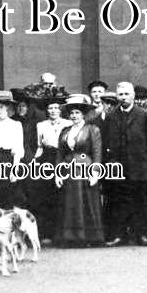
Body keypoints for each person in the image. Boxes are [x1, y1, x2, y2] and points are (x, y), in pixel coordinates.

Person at [103, 82, 147, 247]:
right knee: (118, 201)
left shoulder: (144, 115)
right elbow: (106, 141)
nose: (123, 97)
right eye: (120, 94)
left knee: (139, 201)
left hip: (138, 166)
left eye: (126, 94)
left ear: (133, 95)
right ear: (116, 96)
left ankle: (141, 235)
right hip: (117, 167)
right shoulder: (111, 116)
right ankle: (119, 235)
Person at [55, 94, 104, 246]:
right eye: (72, 113)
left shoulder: (92, 129)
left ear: (83, 114)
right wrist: (58, 173)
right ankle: (71, 236)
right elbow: (60, 154)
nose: (74, 115)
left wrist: (95, 172)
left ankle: (88, 236)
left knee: (85, 201)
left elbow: (96, 152)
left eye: (77, 112)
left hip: (85, 168)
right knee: (70, 202)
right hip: (68, 169)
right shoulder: (65, 131)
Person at [32, 95, 70, 243]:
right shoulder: (41, 125)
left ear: (60, 109)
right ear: (47, 111)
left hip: (63, 157)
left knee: (62, 194)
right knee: (47, 195)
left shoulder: (67, 123)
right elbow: (39, 146)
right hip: (47, 158)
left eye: (56, 108)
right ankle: (47, 233)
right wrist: (35, 162)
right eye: (50, 108)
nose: (53, 111)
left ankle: (61, 234)